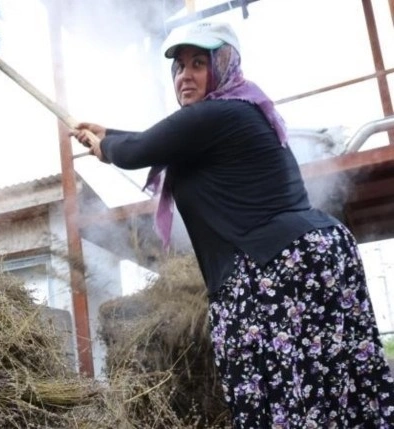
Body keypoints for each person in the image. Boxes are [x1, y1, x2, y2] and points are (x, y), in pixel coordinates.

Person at [72, 21, 394, 428]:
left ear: (223, 66)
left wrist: (109, 145)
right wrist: (110, 136)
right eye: (179, 67)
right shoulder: (232, 112)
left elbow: (140, 150)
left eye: (198, 64)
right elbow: (156, 142)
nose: (184, 75)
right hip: (305, 258)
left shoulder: (220, 111)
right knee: (331, 389)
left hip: (277, 269)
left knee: (278, 390)